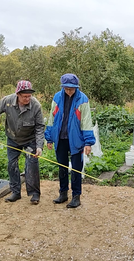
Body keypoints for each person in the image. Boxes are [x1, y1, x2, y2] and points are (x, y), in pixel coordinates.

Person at [0, 80, 45, 204]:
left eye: (29, 96)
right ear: (18, 94)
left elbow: (39, 127)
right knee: (12, 165)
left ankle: (34, 194)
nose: (28, 98)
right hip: (12, 138)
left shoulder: (36, 106)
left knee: (31, 165)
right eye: (25, 96)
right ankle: (15, 192)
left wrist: (39, 146)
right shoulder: (7, 101)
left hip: (30, 140)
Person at [45, 73, 96, 208]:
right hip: (60, 138)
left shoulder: (82, 99)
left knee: (76, 169)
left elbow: (86, 121)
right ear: (63, 87)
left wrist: (88, 142)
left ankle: (76, 196)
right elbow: (51, 118)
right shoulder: (57, 97)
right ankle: (63, 193)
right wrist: (49, 138)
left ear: (76, 87)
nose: (69, 91)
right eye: (67, 88)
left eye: (72, 88)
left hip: (76, 140)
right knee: (62, 167)